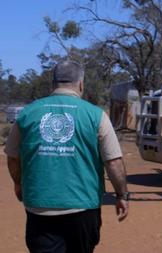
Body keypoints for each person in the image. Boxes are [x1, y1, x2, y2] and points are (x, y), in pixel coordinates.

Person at [4, 60, 129, 253]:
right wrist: (122, 195)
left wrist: (19, 184)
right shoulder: (96, 115)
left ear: (52, 85)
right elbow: (114, 162)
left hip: (40, 206)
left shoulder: (27, 114)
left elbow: (12, 158)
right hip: (83, 208)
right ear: (81, 84)